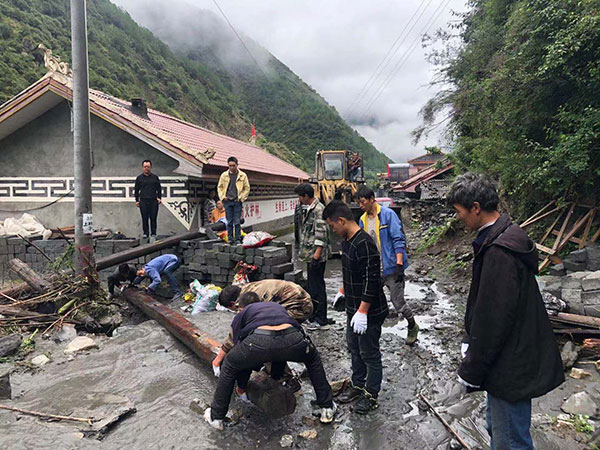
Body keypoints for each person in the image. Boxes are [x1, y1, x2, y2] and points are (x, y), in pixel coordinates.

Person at [448, 173, 564, 449]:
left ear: (476, 207)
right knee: (499, 427)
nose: (459, 218)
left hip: (510, 364)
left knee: (510, 440)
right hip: (511, 357)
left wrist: (471, 368)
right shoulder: (503, 236)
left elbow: (493, 318)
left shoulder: (499, 251)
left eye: (460, 211)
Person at [204, 293, 335, 430]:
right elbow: (279, 343)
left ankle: (216, 416)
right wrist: (275, 375)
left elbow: (240, 351)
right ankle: (326, 407)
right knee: (313, 359)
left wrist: (241, 387)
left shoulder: (242, 313)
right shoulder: (276, 306)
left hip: (259, 340)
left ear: (240, 307)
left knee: (230, 365)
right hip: (293, 338)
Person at [323, 201, 388, 414]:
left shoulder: (364, 243)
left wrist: (363, 311)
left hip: (369, 311)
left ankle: (371, 394)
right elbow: (350, 272)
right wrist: (342, 290)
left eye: (333, 226)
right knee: (354, 348)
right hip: (353, 308)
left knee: (369, 352)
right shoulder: (346, 241)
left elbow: (372, 279)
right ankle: (358, 384)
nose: (333, 230)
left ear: (341, 220)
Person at [356, 186, 419, 345]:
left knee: (398, 303)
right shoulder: (362, 220)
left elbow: (398, 239)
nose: (360, 205)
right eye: (358, 202)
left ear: (371, 199)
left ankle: (412, 326)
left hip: (391, 267)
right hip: (374, 268)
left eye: (362, 202)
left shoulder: (387, 215)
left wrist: (399, 264)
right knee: (371, 301)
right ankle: (371, 335)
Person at [212, 279, 314, 375]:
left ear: (233, 303)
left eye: (232, 309)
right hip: (303, 298)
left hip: (298, 306)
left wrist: (218, 359)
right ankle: (278, 369)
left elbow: (236, 332)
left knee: (266, 339)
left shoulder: (245, 301)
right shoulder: (247, 289)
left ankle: (284, 376)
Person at [295, 183, 331, 330]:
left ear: (306, 196)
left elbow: (321, 235)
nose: (298, 199)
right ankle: (315, 315)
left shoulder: (318, 210)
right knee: (312, 285)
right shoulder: (308, 209)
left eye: (299, 196)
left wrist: (316, 257)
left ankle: (320, 320)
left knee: (317, 287)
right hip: (310, 255)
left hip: (317, 256)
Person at [217, 156, 250, 244]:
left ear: (237, 165)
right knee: (229, 221)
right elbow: (219, 187)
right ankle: (230, 239)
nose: (232, 167)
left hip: (237, 201)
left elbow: (247, 188)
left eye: (233, 165)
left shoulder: (242, 175)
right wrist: (223, 197)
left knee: (237, 221)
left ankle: (238, 239)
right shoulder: (224, 175)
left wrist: (241, 198)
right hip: (227, 201)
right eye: (230, 166)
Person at [134, 160, 162, 241]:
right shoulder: (139, 178)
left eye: (148, 167)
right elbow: (136, 190)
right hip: (143, 201)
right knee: (144, 218)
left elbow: (159, 189)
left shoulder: (155, 177)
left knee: (153, 218)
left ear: (151, 167)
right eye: (145, 167)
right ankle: (145, 233)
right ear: (142, 168)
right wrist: (137, 200)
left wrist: (159, 198)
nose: (147, 168)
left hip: (153, 201)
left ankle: (153, 233)